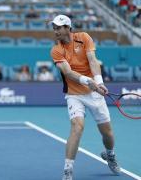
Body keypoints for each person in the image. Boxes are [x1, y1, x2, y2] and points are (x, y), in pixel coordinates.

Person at [49, 15, 120, 180]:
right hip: (74, 95)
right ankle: (68, 170)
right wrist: (88, 81)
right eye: (54, 28)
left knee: (107, 134)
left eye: (58, 27)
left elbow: (93, 61)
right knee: (77, 127)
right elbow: (67, 72)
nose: (55, 31)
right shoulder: (56, 50)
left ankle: (110, 154)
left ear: (67, 27)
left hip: (94, 93)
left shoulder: (84, 37)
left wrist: (99, 82)